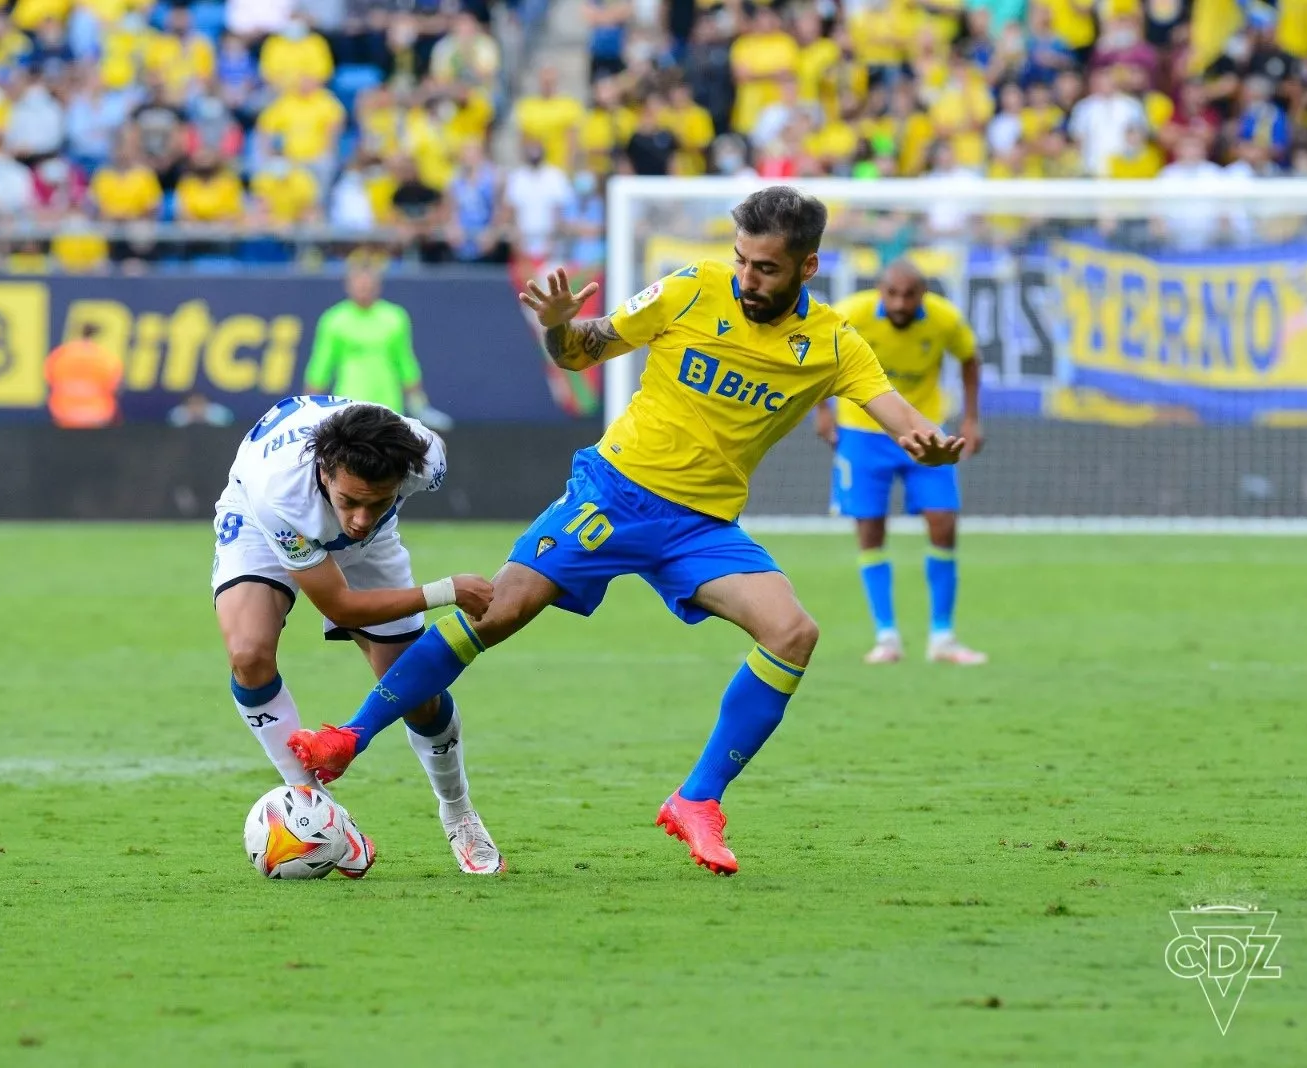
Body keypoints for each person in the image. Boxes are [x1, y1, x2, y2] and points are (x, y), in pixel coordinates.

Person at [289, 187, 967, 875]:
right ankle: (350, 737)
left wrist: (928, 440)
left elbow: (896, 410)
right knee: (498, 609)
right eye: (741, 260)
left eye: (765, 268)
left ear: (807, 267)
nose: (746, 278)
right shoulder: (690, 289)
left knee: (793, 632)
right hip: (612, 494)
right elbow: (579, 352)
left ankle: (697, 799)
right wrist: (559, 326)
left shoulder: (832, 343)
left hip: (701, 526)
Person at [211, 398, 503, 873]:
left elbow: (376, 508)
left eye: (379, 502)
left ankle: (459, 811)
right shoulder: (281, 494)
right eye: (350, 501)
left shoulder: (425, 458)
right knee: (249, 654)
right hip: (260, 527)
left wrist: (364, 514)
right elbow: (339, 605)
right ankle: (319, 812)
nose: (361, 517)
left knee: (417, 694)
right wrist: (445, 591)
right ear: (325, 472)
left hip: (371, 551)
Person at [814, 262, 987, 667]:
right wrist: (822, 410)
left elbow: (969, 359)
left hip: (923, 431)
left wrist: (971, 419)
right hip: (862, 433)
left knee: (943, 524)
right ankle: (886, 636)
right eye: (892, 293)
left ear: (923, 294)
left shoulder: (944, 319)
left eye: (909, 295)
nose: (900, 303)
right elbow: (817, 353)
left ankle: (942, 637)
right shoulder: (852, 314)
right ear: (880, 290)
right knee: (870, 530)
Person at [304, 262, 454, 429]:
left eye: (368, 286)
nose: (364, 290)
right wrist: (308, 408)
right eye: (359, 286)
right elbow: (321, 365)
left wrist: (418, 403)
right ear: (348, 286)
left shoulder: (395, 317)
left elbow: (405, 362)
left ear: (378, 287)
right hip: (349, 403)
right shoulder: (334, 320)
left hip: (389, 403)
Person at [44, 323, 122, 428]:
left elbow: (50, 381)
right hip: (98, 413)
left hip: (64, 412)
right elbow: (115, 386)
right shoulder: (104, 358)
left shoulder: (60, 356)